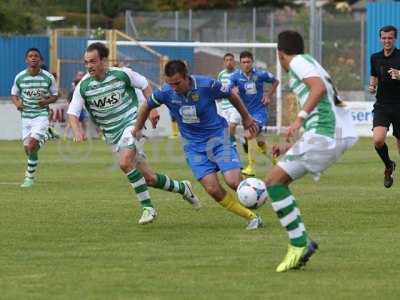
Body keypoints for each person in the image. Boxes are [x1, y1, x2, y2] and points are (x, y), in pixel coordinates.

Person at [67, 42, 200, 225]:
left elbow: (145, 84)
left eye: (93, 61)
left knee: (124, 162)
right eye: (86, 62)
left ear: (103, 61)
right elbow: (72, 113)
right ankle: (183, 188)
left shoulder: (122, 74)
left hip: (133, 123)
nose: (89, 66)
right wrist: (77, 130)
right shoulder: (84, 86)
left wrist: (152, 108)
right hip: (113, 135)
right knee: (150, 179)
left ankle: (148, 208)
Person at [265, 30, 358, 272]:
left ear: (280, 53)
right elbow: (324, 103)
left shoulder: (296, 61)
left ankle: (299, 244)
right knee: (277, 180)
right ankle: (301, 242)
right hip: (330, 134)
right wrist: (289, 146)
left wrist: (298, 119)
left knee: (273, 181)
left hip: (325, 135)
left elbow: (317, 89)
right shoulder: (310, 62)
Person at [134, 60, 263, 230]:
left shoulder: (207, 85)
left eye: (177, 83)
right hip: (194, 146)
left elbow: (231, 94)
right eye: (169, 83)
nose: (173, 88)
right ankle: (252, 217)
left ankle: (257, 191)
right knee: (212, 188)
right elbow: (146, 105)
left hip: (218, 138)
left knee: (233, 181)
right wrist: (137, 129)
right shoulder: (166, 92)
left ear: (186, 77)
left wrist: (246, 117)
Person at [11, 47, 58, 188]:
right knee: (28, 149)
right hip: (26, 117)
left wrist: (46, 101)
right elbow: (14, 93)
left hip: (41, 115)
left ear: (40, 59)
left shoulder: (48, 77)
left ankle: (29, 178)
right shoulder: (20, 77)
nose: (33, 58)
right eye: (30, 56)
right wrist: (17, 103)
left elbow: (56, 95)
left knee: (32, 146)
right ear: (26, 60)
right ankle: (46, 136)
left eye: (36, 56)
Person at [230, 51, 280, 176]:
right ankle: (275, 161)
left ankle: (251, 168)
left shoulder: (260, 74)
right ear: (240, 63)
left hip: (259, 112)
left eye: (248, 62)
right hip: (246, 114)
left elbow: (276, 81)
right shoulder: (235, 77)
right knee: (260, 142)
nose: (246, 64)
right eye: (243, 62)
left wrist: (268, 95)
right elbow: (229, 90)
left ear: (252, 62)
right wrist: (233, 92)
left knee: (249, 135)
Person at [369, 25, 400, 188]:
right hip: (382, 105)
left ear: (395, 38)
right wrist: (372, 85)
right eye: (384, 38)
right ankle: (389, 166)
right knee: (378, 140)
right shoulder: (375, 57)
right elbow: (374, 74)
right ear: (380, 39)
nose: (387, 40)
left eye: (390, 38)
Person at [216, 53, 241, 147]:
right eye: (227, 60)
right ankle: (234, 141)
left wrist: (239, 90)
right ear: (224, 62)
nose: (229, 62)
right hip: (224, 106)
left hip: (236, 105)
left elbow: (242, 87)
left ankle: (233, 144)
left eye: (231, 60)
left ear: (234, 62)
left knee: (232, 125)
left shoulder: (238, 74)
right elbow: (218, 88)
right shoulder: (221, 74)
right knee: (226, 130)